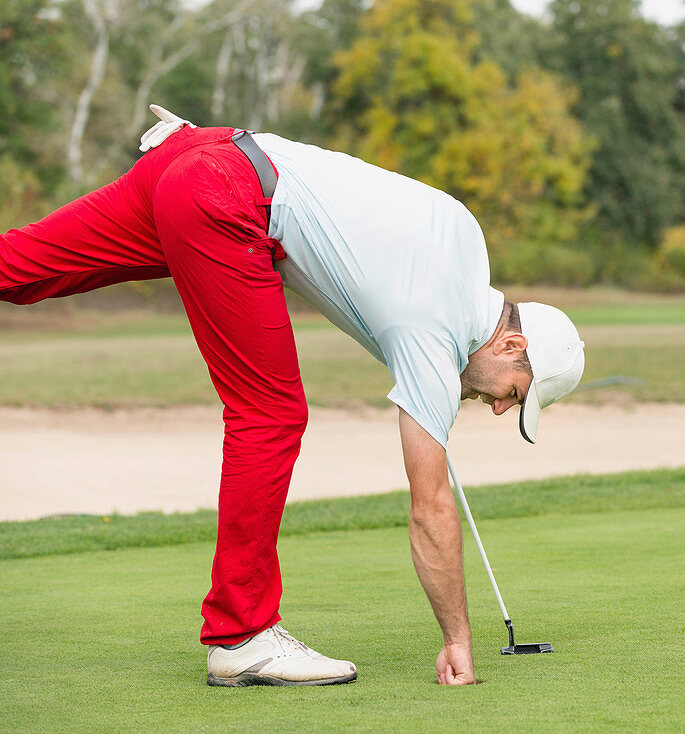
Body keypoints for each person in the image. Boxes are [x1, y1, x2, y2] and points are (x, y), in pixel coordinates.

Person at [0, 105, 585, 687]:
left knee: (18, 267)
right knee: (271, 414)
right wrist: (457, 639)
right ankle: (241, 637)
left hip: (198, 154)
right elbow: (429, 507)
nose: (503, 408)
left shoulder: (463, 235)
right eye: (517, 394)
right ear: (512, 344)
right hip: (226, 198)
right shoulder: (431, 330)